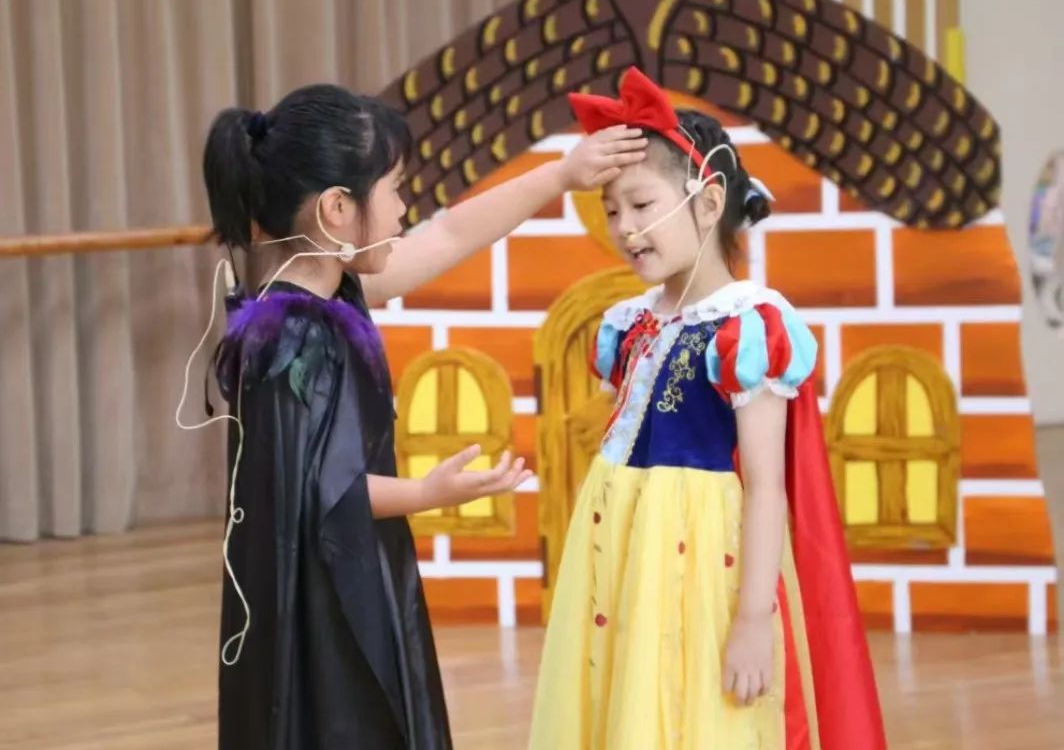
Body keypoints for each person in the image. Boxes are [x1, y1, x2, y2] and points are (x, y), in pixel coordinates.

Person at [196, 82, 647, 749]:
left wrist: (561, 175)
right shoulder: (292, 335)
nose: (406, 210)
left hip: (348, 571)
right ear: (337, 209)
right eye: (395, 190)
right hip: (325, 604)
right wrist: (431, 492)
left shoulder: (331, 293)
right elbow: (323, 493)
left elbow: (452, 233)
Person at [528, 67, 885, 750]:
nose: (625, 228)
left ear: (708, 199)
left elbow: (767, 485)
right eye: (612, 211)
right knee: (628, 701)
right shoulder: (630, 325)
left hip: (700, 565)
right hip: (625, 548)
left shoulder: (747, 327)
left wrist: (753, 618)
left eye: (641, 203)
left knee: (694, 710)